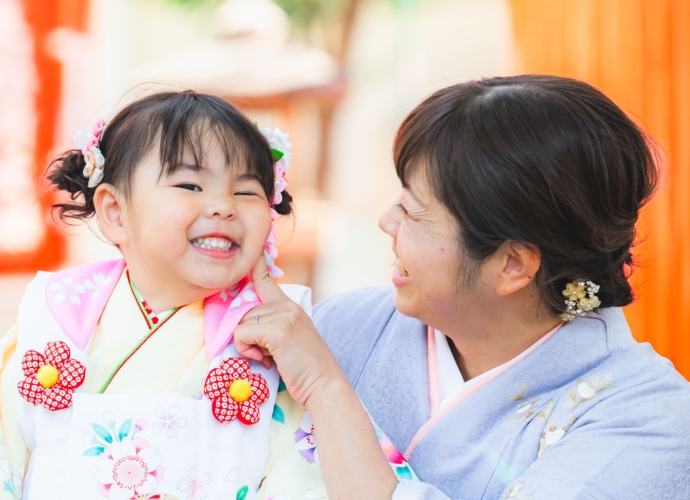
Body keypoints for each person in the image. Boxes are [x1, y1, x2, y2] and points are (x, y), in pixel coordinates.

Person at [0, 91, 413, 500]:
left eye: (246, 192)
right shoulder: (52, 323)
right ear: (115, 211)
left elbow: (302, 477)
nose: (223, 207)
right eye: (189, 184)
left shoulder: (276, 339)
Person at [234, 75, 690, 499]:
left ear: (512, 264)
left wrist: (324, 388)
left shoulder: (648, 421)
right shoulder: (342, 326)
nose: (386, 222)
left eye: (413, 211)